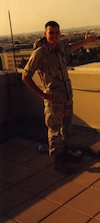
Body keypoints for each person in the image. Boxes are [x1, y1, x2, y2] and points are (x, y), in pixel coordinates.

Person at [22, 21, 96, 173]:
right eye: (51, 33)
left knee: (66, 128)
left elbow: (71, 48)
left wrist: (86, 41)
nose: (54, 36)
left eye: (57, 32)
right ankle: (58, 162)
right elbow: (25, 76)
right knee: (54, 130)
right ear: (45, 34)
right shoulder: (39, 53)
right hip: (53, 99)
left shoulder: (60, 47)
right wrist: (43, 94)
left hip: (67, 97)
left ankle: (65, 154)